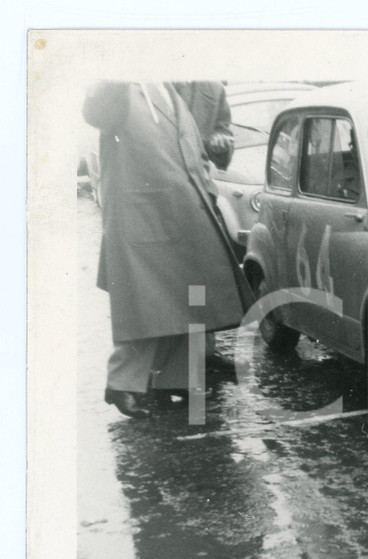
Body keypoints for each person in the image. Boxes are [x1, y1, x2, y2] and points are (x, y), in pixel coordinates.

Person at [83, 81, 253, 418]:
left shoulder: (169, 91)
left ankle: (176, 379)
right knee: (145, 306)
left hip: (185, 212)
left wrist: (206, 187)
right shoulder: (121, 87)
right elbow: (95, 111)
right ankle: (122, 383)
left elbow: (194, 150)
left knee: (189, 300)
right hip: (143, 218)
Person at [171, 81, 234, 171]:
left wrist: (219, 145)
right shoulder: (153, 84)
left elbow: (221, 131)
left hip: (195, 175)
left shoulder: (215, 88)